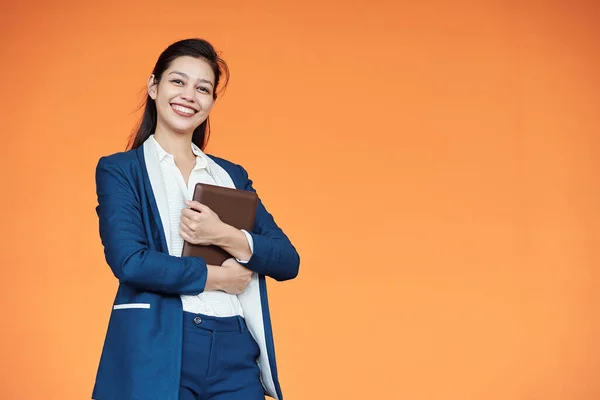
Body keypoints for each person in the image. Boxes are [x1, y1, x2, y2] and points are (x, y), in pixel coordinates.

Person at [92, 38, 300, 400]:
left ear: (211, 102)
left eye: (202, 88)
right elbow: (130, 262)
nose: (189, 95)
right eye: (178, 81)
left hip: (235, 347)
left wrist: (225, 234)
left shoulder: (230, 175)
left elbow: (287, 259)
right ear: (154, 86)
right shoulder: (121, 170)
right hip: (161, 343)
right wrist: (219, 277)